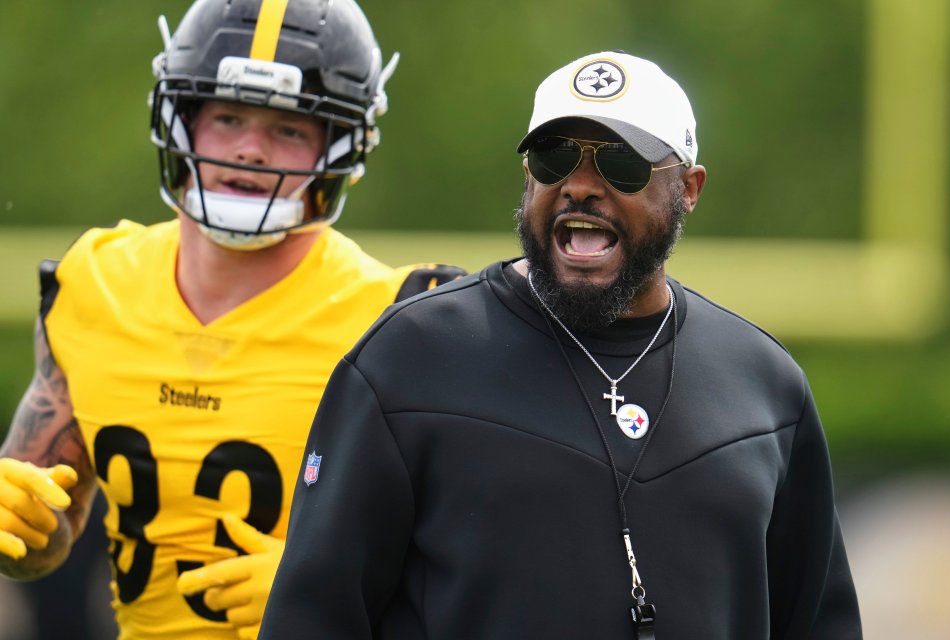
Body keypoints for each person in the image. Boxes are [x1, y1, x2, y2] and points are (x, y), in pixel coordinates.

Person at [259, 51, 864, 639]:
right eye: (555, 157)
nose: (580, 187)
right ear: (529, 175)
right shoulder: (410, 358)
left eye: (621, 164)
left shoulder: (765, 387)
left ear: (689, 188)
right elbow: (315, 618)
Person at [0, 1, 462, 638]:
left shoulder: (401, 321)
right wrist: (16, 526)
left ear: (341, 145)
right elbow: (47, 530)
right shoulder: (94, 281)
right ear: (181, 120)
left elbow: (481, 567)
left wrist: (327, 585)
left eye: (289, 129)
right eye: (227, 117)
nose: (249, 149)